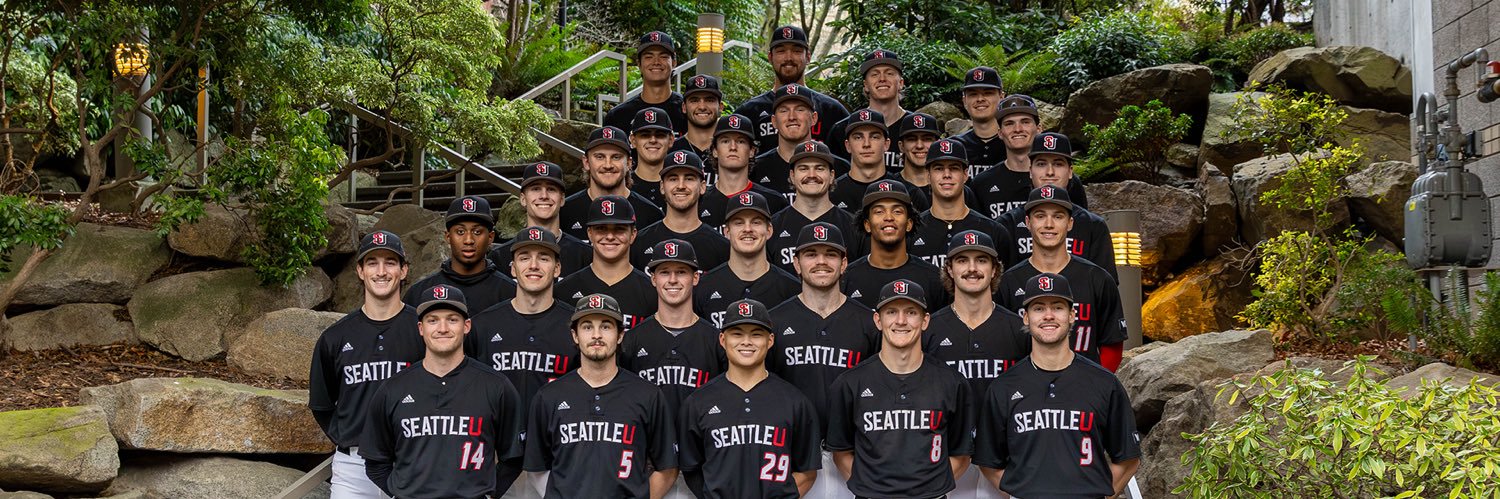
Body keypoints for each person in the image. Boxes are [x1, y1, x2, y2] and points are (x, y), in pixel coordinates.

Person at [975, 273, 1142, 498]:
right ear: (1025, 317)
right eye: (1038, 308)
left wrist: (1099, 494)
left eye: (1058, 307)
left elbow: (1129, 458)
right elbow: (989, 462)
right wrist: (1019, 493)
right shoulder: (1003, 387)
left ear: (1072, 315)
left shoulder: (1104, 383)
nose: (1049, 316)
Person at [360, 284, 525, 499]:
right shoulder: (393, 389)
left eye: (452, 319)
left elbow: (513, 458)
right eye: (433, 320)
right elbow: (375, 461)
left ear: (466, 326)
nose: (443, 328)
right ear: (421, 328)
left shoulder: (496, 385)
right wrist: (401, 492)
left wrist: (488, 494)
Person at [825, 280, 975, 499]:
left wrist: (928, 490)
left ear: (925, 321)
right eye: (892, 312)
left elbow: (961, 454)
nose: (901, 321)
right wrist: (873, 489)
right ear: (878, 320)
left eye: (911, 312)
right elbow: (841, 451)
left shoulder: (952, 382)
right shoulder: (850, 383)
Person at [523, 293, 680, 498]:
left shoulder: (648, 395)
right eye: (587, 327)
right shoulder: (548, 396)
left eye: (606, 326)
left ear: (620, 335)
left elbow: (668, 468)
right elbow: (536, 466)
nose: (597, 335)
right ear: (575, 335)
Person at [767, 222, 881, 499]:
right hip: (794, 458)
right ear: (796, 263)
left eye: (830, 254)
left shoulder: (869, 321)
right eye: (811, 254)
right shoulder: (774, 321)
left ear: (844, 264)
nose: (821, 262)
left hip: (854, 455)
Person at [310, 230, 424, 499]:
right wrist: (348, 436)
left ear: (404, 270)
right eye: (372, 263)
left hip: (413, 458)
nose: (381, 271)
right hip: (354, 466)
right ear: (360, 271)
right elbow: (322, 404)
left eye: (390, 262)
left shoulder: (424, 329)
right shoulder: (335, 337)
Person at [469, 227, 578, 499]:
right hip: (496, 457)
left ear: (557, 268)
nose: (533, 265)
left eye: (544, 257)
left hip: (557, 458)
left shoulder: (576, 326)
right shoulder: (483, 325)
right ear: (512, 268)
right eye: (524, 257)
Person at [679, 299, 823, 498]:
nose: (746, 341)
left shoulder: (795, 402)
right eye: (737, 334)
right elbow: (691, 468)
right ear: (722, 339)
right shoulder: (698, 402)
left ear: (770, 340)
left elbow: (807, 472)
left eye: (756, 334)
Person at [926, 230, 1030, 499]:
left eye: (981, 260)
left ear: (995, 269)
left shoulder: (1019, 329)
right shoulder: (929, 329)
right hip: (944, 457)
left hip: (1004, 458)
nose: (972, 269)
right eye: (962, 261)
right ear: (949, 268)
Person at [998, 186, 1127, 371]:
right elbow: (1002, 346)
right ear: (1027, 222)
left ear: (1070, 223)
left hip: (1084, 386)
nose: (1049, 224)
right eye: (1040, 216)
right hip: (1027, 389)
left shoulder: (1098, 278)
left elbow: (1112, 344)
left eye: (1058, 216)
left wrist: (1099, 386)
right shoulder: (1008, 282)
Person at [622, 239, 726, 418]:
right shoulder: (632, 340)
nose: (672, 280)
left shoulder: (715, 340)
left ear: (695, 277)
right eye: (664, 272)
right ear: (653, 279)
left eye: (681, 272)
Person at [994, 133, 1117, 280]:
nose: (1050, 172)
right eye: (1041, 164)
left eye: (1058, 164)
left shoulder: (1093, 226)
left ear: (1070, 171)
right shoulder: (1006, 225)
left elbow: (1105, 288)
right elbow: (998, 287)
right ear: (1030, 170)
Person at [734, 25, 849, 153]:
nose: (788, 57)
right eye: (781, 51)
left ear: (808, 57)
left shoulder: (832, 111)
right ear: (770, 57)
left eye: (797, 51)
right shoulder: (748, 113)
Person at [970, 95, 1088, 218]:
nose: (1018, 129)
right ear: (1000, 133)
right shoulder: (982, 183)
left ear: (1039, 129)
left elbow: (1081, 225)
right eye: (1009, 123)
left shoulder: (1064, 180)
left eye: (1025, 122)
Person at [695, 190, 800, 328]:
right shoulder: (702, 288)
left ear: (769, 230)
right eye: (739, 223)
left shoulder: (792, 288)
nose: (748, 229)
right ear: (727, 231)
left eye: (756, 222)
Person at [555, 195, 657, 331]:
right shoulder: (563, 290)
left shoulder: (653, 292)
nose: (609, 236)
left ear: (633, 234)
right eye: (601, 228)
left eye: (619, 229)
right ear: (590, 234)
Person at [908, 139, 1014, 269]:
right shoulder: (912, 232)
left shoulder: (993, 231)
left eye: (954, 168)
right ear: (928, 176)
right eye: (939, 169)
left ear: (965, 174)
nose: (946, 175)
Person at [842, 180, 948, 310]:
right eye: (879, 211)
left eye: (897, 211)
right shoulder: (846, 279)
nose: (889, 217)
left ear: (909, 224)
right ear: (867, 225)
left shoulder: (934, 279)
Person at [403, 195, 517, 314]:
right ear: (448, 237)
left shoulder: (509, 292)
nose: (468, 240)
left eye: (477, 232)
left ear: (490, 237)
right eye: (460, 232)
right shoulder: (419, 293)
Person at [767, 140, 862, 274]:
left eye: (819, 168)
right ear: (792, 176)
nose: (812, 175)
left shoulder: (853, 226)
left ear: (831, 176)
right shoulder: (773, 227)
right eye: (803, 168)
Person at [630, 150, 731, 272]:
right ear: (662, 186)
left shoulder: (722, 247)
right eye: (673, 179)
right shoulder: (638, 243)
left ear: (703, 186)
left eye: (689, 178)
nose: (681, 186)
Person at [560, 126, 665, 242]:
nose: (608, 165)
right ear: (586, 162)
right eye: (600, 157)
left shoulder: (651, 214)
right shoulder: (565, 211)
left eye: (616, 157)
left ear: (629, 163)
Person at [488, 162, 591, 277]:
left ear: (562, 199)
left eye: (551, 189)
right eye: (535, 189)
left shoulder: (584, 254)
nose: (544, 195)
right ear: (522, 199)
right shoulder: (500, 256)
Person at [752, 84, 849, 200]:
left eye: (800, 109)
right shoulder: (756, 169)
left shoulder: (840, 168)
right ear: (773, 121)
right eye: (784, 110)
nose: (792, 117)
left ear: (814, 118)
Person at [826, 49, 911, 173]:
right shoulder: (843, 129)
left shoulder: (914, 129)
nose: (882, 79)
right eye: (874, 74)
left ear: (901, 83)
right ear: (865, 85)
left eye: (889, 73)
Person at [700, 114, 788, 229]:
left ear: (752, 151)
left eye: (740, 141)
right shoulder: (699, 201)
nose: (733, 147)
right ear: (715, 151)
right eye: (725, 141)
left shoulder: (774, 201)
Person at [829, 108, 925, 213]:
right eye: (858, 137)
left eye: (874, 137)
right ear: (847, 145)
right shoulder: (831, 193)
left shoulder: (909, 192)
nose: (866, 144)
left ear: (886, 144)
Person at [603, 31, 687, 135]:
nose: (656, 62)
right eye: (648, 57)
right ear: (639, 64)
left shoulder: (687, 111)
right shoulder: (618, 116)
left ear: (674, 62)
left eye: (663, 57)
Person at [948, 67, 1008, 179]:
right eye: (973, 94)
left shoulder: (1014, 145)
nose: (980, 99)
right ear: (964, 100)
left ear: (1001, 97)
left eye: (988, 93)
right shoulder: (954, 147)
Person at [670, 75, 723, 182]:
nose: (702, 107)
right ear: (684, 107)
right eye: (694, 100)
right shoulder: (670, 151)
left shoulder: (732, 150)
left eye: (709, 100)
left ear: (720, 107)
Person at [628, 107, 677, 208]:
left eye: (660, 135)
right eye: (645, 135)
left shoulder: (681, 187)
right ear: (633, 140)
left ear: (671, 140)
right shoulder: (622, 185)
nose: (653, 140)